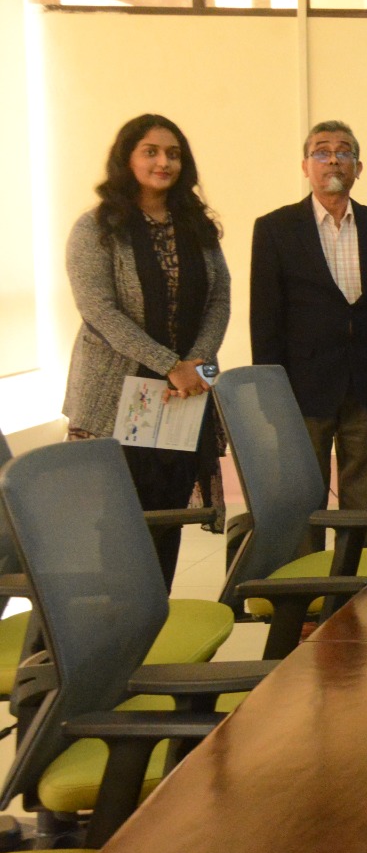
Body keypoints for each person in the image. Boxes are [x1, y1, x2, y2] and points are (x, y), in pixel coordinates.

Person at [63, 114, 229, 589]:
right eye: (150, 152)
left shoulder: (195, 225)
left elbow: (219, 299)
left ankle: (156, 618)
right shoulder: (97, 228)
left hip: (182, 396)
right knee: (115, 524)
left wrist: (196, 366)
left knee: (167, 516)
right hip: (113, 397)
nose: (163, 162)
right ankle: (114, 626)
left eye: (173, 154)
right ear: (127, 159)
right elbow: (99, 312)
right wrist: (170, 366)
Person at [250, 120, 367, 543]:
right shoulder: (275, 229)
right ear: (305, 166)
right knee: (304, 493)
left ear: (358, 167)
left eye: (344, 152)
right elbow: (265, 318)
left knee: (364, 493)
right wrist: (269, 390)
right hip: (301, 385)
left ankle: (358, 577)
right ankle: (306, 577)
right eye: (321, 152)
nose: (333, 160)